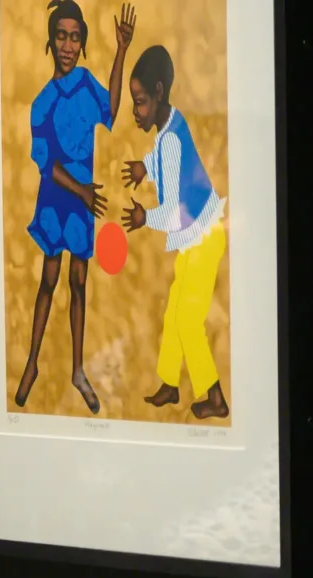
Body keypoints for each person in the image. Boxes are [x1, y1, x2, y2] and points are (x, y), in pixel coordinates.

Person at [13, 1, 136, 413]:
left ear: (83, 44)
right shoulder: (41, 102)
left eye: (75, 37)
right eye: (61, 36)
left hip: (83, 203)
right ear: (50, 41)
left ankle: (78, 370)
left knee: (79, 283)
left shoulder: (85, 84)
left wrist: (121, 50)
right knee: (48, 280)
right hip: (57, 200)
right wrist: (81, 190)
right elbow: (45, 162)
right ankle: (32, 364)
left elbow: (112, 111)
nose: (68, 44)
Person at [120, 44, 229, 419]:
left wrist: (141, 218)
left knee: (188, 319)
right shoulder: (172, 123)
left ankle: (214, 395)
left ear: (159, 92)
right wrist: (144, 168)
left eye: (139, 102)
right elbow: (167, 157)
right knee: (174, 313)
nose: (136, 111)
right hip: (199, 235)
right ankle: (169, 384)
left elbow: (170, 214)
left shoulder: (167, 140)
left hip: (201, 236)